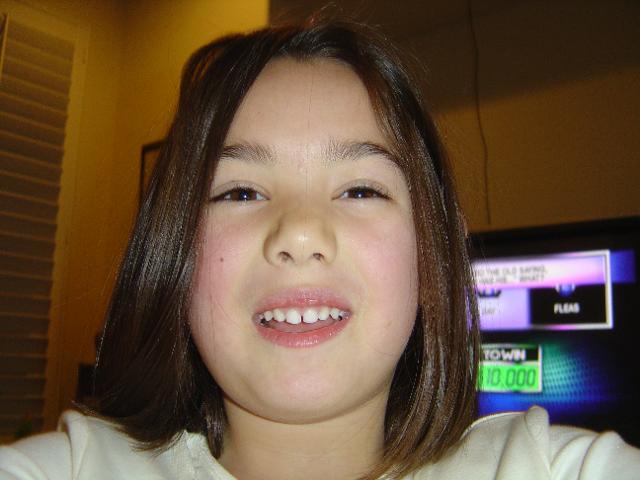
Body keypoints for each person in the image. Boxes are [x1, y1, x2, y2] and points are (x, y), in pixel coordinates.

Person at [1, 16, 639, 480]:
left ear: (430, 259)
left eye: (361, 189)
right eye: (240, 191)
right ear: (174, 258)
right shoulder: (76, 467)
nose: (300, 232)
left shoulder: (546, 467)